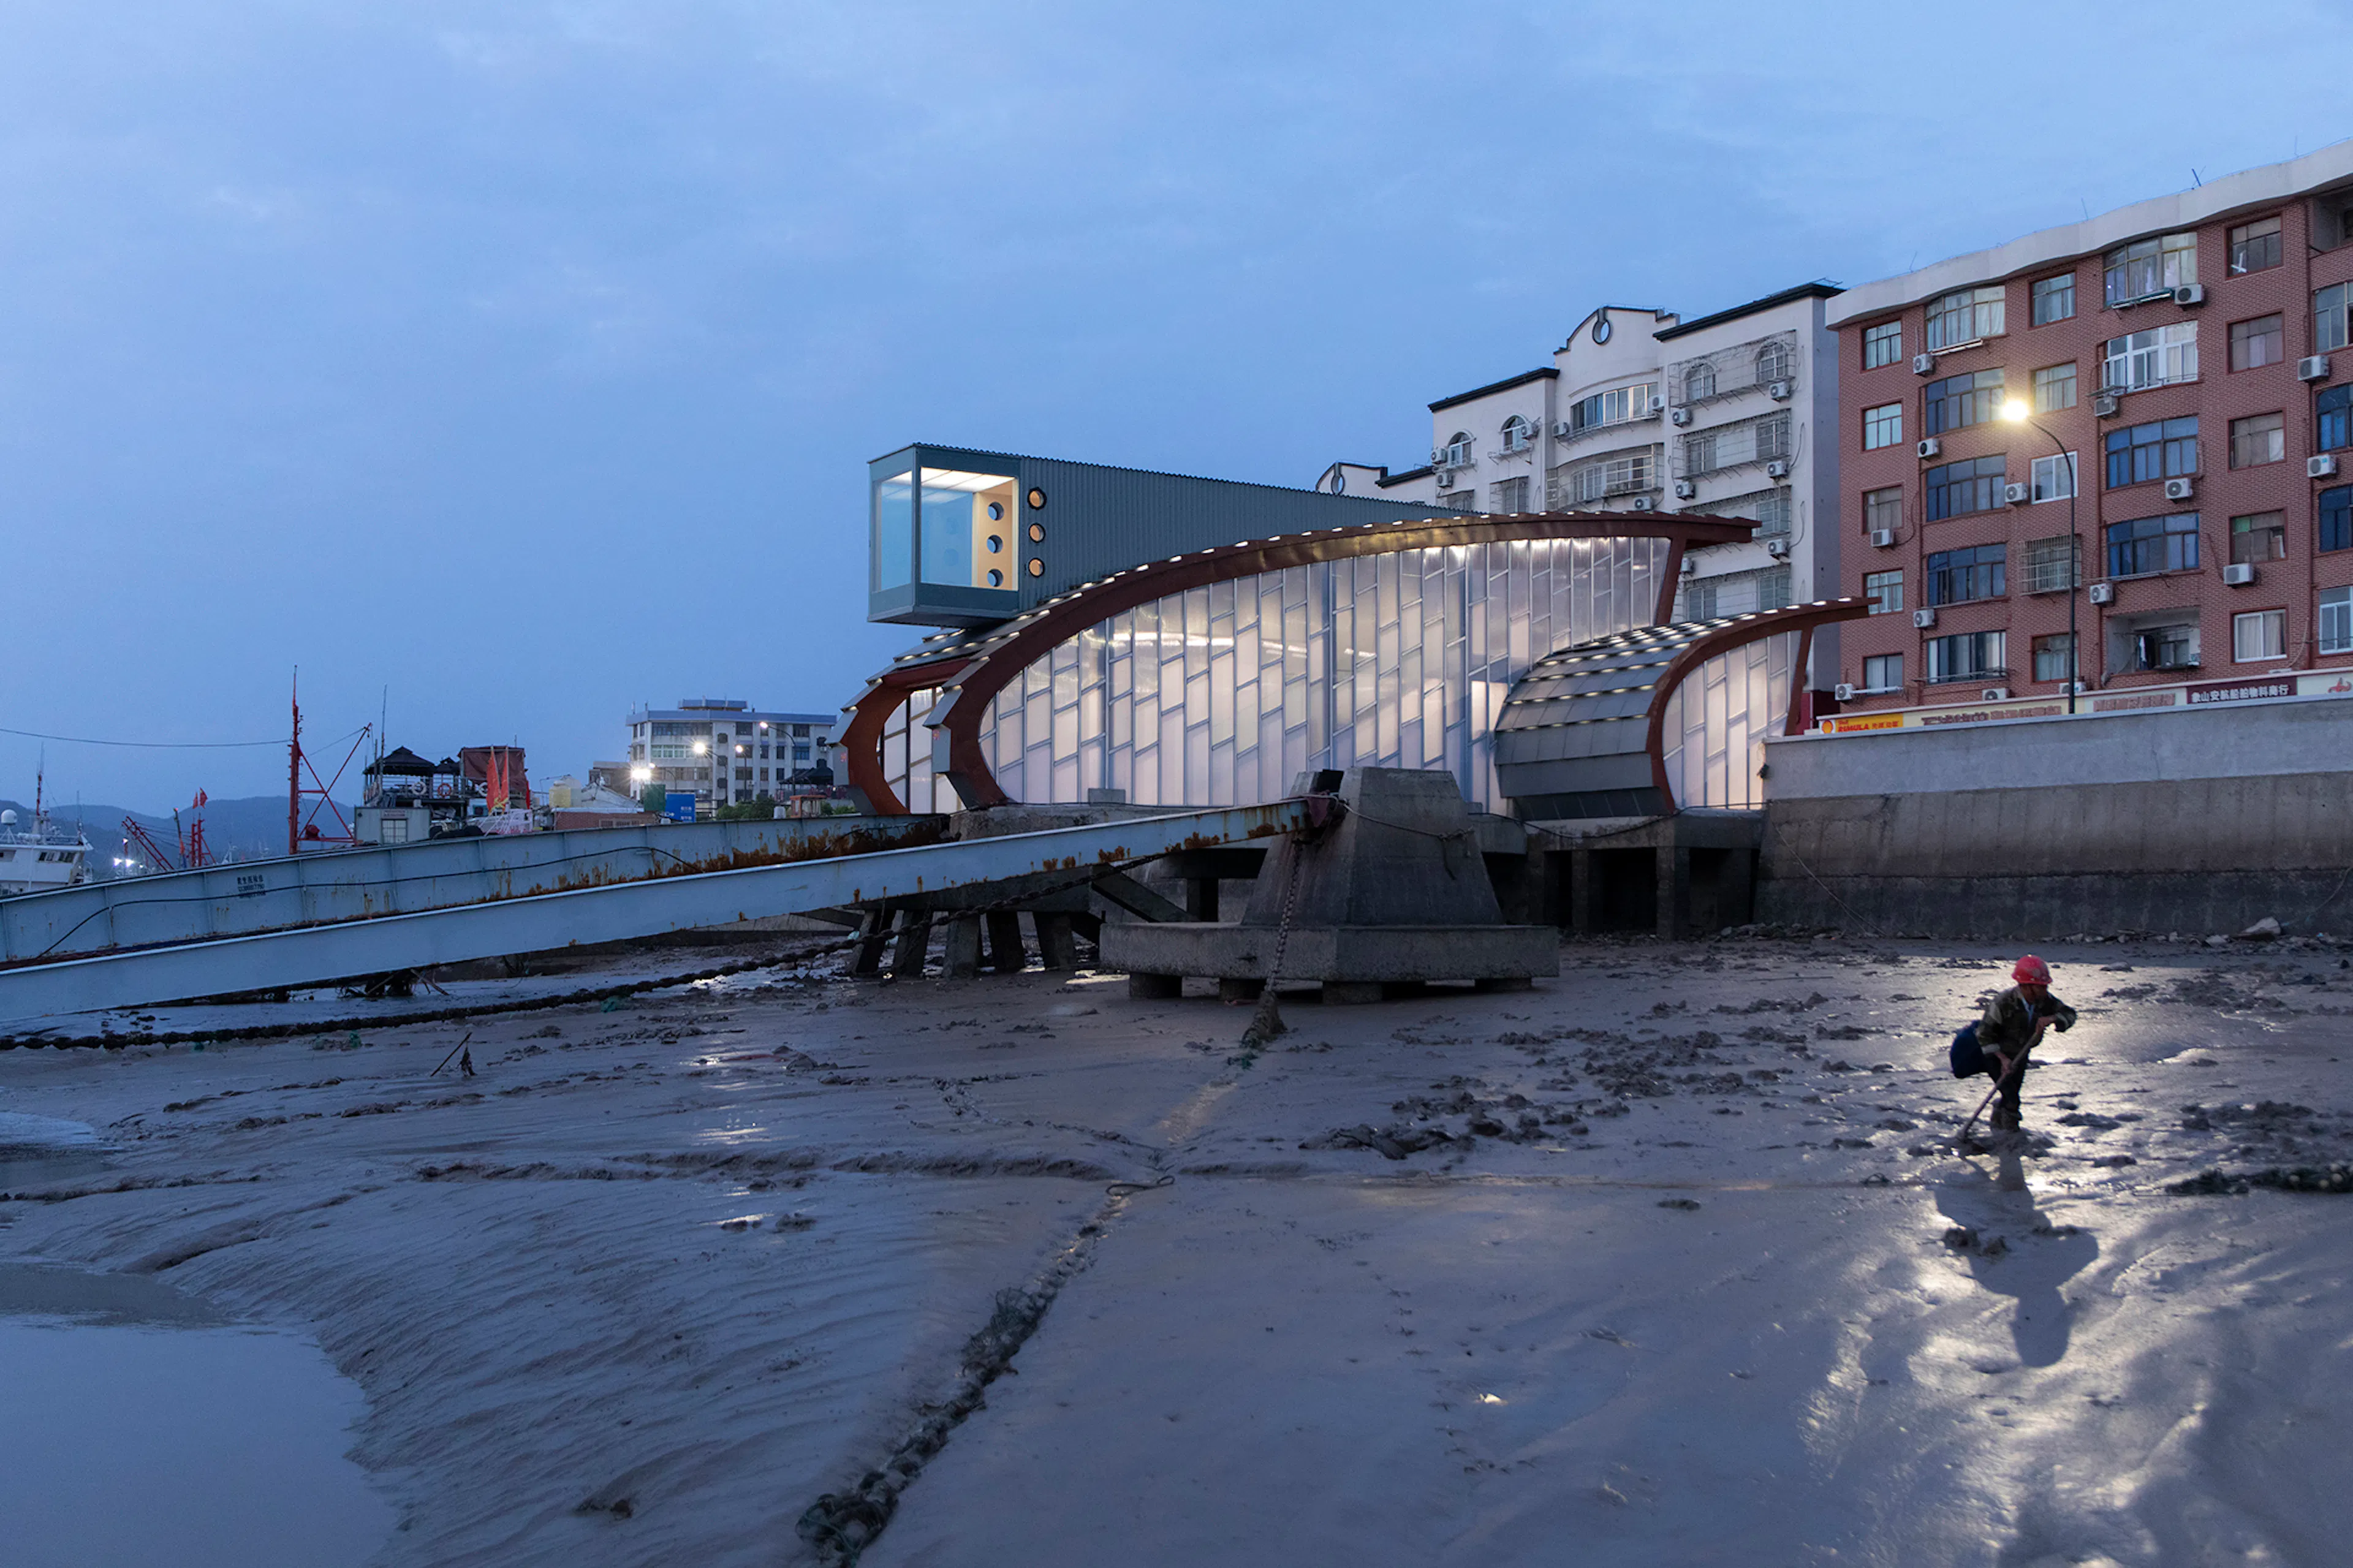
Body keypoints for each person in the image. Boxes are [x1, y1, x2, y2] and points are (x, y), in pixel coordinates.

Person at [1949, 955, 2076, 1131]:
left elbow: (2070, 1014)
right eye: (2041, 987)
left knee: (2013, 1090)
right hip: (1994, 1054)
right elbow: (1984, 1035)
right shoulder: (2003, 1003)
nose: (2045, 990)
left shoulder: (2045, 1001)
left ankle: (1998, 1118)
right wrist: (2002, 1059)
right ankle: (2010, 1132)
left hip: (2021, 1053)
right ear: (2026, 986)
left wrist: (2054, 1018)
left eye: (2045, 986)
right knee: (2012, 1097)